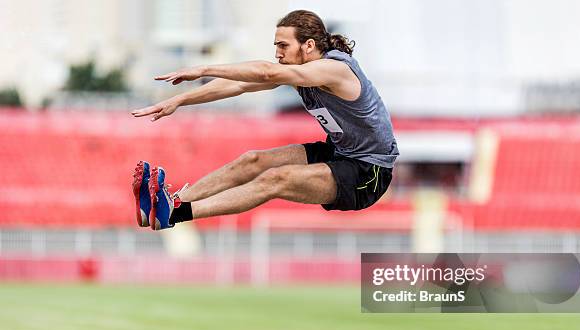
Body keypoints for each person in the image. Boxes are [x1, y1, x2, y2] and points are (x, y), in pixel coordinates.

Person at [131, 10, 399, 230]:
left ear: (308, 45)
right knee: (252, 160)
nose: (278, 54)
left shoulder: (335, 69)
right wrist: (178, 101)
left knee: (275, 178)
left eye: (283, 46)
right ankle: (164, 206)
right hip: (339, 152)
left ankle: (176, 214)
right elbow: (239, 86)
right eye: (276, 46)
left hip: (369, 171)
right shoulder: (298, 72)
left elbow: (266, 73)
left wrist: (202, 68)